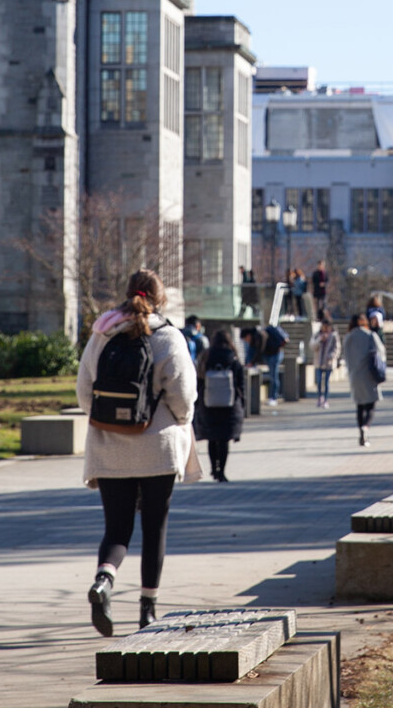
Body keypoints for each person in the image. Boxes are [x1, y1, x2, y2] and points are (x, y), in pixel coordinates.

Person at [77, 269, 199, 636]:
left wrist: (109, 421)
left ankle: (104, 581)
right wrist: (179, 419)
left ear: (126, 294)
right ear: (160, 299)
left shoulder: (103, 333)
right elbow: (183, 396)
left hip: (108, 447)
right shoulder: (168, 337)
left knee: (117, 529)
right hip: (158, 448)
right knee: (154, 527)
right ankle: (147, 608)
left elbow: (85, 391)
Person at [198, 330, 246, 482]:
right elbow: (241, 383)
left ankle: (213, 469)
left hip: (208, 402)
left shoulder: (205, 356)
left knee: (212, 438)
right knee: (224, 439)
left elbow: (199, 379)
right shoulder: (233, 357)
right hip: (229, 404)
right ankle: (222, 472)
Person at [342, 313, 385, 447]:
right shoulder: (370, 335)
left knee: (360, 405)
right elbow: (381, 352)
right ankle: (366, 426)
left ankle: (361, 429)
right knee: (371, 404)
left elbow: (345, 356)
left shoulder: (348, 337)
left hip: (355, 375)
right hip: (369, 374)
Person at [244, 323, 288, 406]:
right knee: (273, 375)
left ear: (248, 335)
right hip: (270, 354)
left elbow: (259, 350)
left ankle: (273, 397)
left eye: (245, 339)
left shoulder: (259, 336)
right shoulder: (255, 338)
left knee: (273, 375)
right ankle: (272, 396)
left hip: (274, 354)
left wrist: (251, 363)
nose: (246, 341)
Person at [310, 317, 340, 409]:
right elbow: (311, 346)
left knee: (326, 382)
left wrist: (331, 356)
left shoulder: (334, 336)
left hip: (328, 363)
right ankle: (319, 398)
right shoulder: (317, 335)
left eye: (327, 327)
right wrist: (320, 340)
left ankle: (326, 400)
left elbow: (337, 348)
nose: (325, 328)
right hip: (318, 362)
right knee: (319, 381)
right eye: (324, 326)